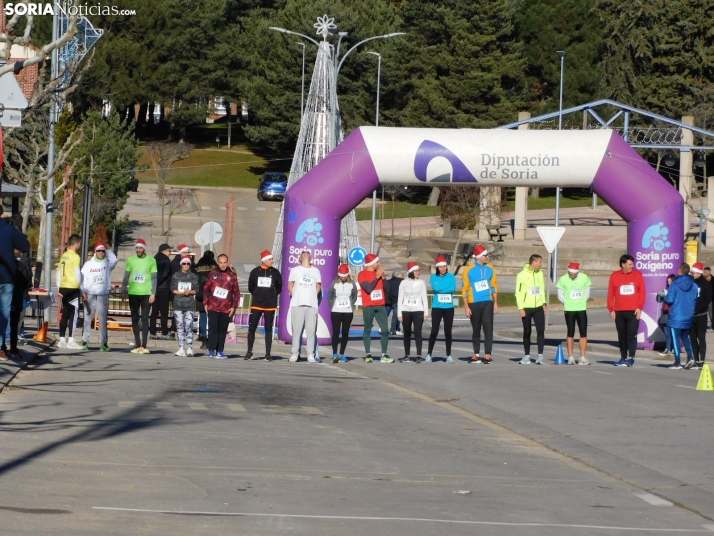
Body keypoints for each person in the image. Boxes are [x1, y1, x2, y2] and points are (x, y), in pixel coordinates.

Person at [0, 206, 30, 361]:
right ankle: (1, 347)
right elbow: (25, 247)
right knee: (5, 313)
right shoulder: (9, 231)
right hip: (7, 277)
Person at [607, 254, 646, 367]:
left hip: (633, 311)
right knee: (622, 334)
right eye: (629, 264)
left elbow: (642, 292)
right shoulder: (615, 276)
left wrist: (639, 307)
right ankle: (623, 357)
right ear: (623, 264)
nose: (631, 266)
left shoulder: (638, 275)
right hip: (619, 310)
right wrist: (611, 309)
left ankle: (631, 357)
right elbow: (611, 293)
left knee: (631, 334)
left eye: (632, 264)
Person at [462, 245, 498, 364]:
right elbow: (465, 289)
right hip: (474, 303)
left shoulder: (491, 268)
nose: (488, 257)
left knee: (488, 328)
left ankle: (488, 354)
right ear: (478, 257)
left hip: (487, 302)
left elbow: (493, 286)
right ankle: (476, 353)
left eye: (487, 255)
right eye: (485, 255)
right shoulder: (468, 270)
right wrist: (466, 307)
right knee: (476, 329)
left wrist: (496, 303)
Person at [80, 243, 118, 351]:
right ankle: (85, 341)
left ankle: (103, 343)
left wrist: (107, 248)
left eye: (103, 251)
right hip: (90, 294)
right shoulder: (88, 264)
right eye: (99, 251)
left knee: (102, 320)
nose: (101, 253)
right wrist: (83, 292)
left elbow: (115, 260)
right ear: (95, 252)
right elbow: (81, 278)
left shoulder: (108, 263)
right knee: (87, 319)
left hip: (103, 294)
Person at [122, 238, 157, 354]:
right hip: (133, 293)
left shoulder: (151, 260)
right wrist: (123, 291)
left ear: (144, 249)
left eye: (140, 248)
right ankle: (137, 344)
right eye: (137, 248)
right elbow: (126, 276)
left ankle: (144, 344)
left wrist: (153, 293)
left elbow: (154, 278)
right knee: (135, 318)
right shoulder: (131, 260)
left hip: (146, 293)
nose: (138, 250)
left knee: (145, 318)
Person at [246, 250, 282, 361]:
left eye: (272, 259)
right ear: (264, 260)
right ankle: (249, 352)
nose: (272, 261)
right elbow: (250, 286)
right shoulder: (255, 272)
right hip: (257, 304)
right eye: (270, 259)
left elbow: (279, 287)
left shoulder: (275, 272)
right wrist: (257, 293)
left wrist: (273, 294)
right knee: (252, 328)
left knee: (268, 329)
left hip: (270, 305)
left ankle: (267, 353)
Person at [287, 250, 322, 363]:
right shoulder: (295, 270)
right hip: (297, 304)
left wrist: (312, 296)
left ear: (311, 258)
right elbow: (290, 286)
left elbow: (318, 286)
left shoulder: (316, 271)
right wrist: (296, 295)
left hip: (312, 305)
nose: (306, 253)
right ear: (300, 259)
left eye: (308, 253)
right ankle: (295, 353)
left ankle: (310, 354)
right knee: (297, 331)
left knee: (311, 331)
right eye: (303, 253)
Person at [203, 253, 240, 359]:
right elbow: (206, 289)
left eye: (225, 262)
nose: (223, 265)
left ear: (227, 262)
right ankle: (211, 350)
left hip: (226, 308)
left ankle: (220, 351)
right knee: (213, 328)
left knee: (222, 330)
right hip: (213, 306)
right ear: (218, 263)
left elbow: (236, 292)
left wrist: (234, 306)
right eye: (221, 262)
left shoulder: (232, 275)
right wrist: (205, 303)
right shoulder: (212, 274)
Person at [358, 253, 393, 363]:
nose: (379, 264)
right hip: (368, 306)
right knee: (367, 329)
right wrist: (376, 277)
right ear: (371, 263)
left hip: (380, 305)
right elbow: (368, 288)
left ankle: (384, 354)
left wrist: (384, 278)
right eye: (377, 262)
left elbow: (387, 289)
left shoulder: (379, 274)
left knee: (385, 330)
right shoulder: (362, 274)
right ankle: (368, 354)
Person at [556, 262, 592, 365]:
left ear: (578, 272)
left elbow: (587, 293)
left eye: (574, 274)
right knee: (570, 332)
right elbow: (560, 295)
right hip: (569, 309)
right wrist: (568, 303)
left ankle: (582, 357)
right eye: (571, 274)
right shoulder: (563, 279)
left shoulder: (584, 278)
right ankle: (571, 357)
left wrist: (580, 302)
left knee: (583, 332)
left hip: (581, 309)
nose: (572, 276)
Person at [664, 263, 697, 370]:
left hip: (676, 315)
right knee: (685, 337)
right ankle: (691, 357)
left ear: (679, 271)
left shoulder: (674, 284)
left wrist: (664, 297)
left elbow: (670, 299)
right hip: (688, 314)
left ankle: (677, 361)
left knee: (675, 338)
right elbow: (695, 298)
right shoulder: (694, 284)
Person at [515, 254, 547, 365]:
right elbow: (518, 293)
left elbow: (541, 289)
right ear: (534, 262)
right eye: (540, 262)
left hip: (538, 306)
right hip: (526, 307)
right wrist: (520, 308)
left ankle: (540, 356)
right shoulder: (521, 275)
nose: (541, 264)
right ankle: (527, 356)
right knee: (527, 331)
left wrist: (543, 303)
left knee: (540, 330)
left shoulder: (540, 274)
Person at [427, 255, 456, 363]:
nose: (443, 269)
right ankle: (429, 353)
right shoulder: (433, 277)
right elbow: (436, 288)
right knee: (434, 330)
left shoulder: (451, 276)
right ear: (437, 268)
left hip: (449, 307)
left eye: (444, 267)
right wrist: (445, 289)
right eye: (440, 267)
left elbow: (453, 288)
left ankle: (448, 354)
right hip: (437, 307)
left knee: (448, 331)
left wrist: (442, 290)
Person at [56, 234, 83, 350]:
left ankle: (62, 339)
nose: (80, 245)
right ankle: (71, 340)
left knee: (65, 313)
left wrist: (59, 287)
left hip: (64, 287)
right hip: (73, 287)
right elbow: (77, 273)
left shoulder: (64, 256)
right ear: (76, 243)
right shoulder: (75, 257)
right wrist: (82, 287)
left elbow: (58, 272)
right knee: (74, 314)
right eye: (79, 243)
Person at [398, 262, 429, 363]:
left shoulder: (421, 283)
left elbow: (424, 298)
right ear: (411, 272)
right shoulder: (403, 283)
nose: (418, 272)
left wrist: (426, 313)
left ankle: (419, 355)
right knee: (407, 333)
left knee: (417, 332)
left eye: (418, 271)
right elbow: (400, 299)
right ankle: (407, 355)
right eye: (416, 271)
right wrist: (399, 314)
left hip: (418, 310)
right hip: (406, 310)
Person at [171, 255, 200, 357]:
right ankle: (181, 348)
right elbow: (173, 289)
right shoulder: (175, 276)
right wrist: (181, 293)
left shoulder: (194, 276)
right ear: (181, 264)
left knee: (189, 326)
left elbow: (196, 289)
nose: (186, 265)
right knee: (179, 326)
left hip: (189, 305)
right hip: (178, 304)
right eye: (184, 263)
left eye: (188, 263)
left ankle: (190, 348)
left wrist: (190, 292)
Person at [328, 263, 357, 363]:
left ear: (347, 275)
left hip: (348, 311)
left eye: (345, 276)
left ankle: (342, 354)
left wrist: (351, 306)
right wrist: (333, 306)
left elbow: (354, 296)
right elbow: (330, 296)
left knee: (345, 332)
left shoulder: (352, 284)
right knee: (336, 332)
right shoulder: (334, 283)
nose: (343, 278)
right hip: (336, 311)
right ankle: (335, 353)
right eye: (341, 276)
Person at [688, 262, 711, 369]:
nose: (691, 274)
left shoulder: (706, 284)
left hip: (701, 315)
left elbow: (706, 300)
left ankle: (702, 360)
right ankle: (695, 359)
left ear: (699, 273)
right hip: (691, 316)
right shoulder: (690, 283)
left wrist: (696, 310)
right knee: (692, 338)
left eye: (693, 273)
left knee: (701, 338)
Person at [195, 251, 218, 348]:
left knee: (203, 317)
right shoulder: (215, 269)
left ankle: (203, 338)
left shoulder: (199, 266)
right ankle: (211, 338)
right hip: (213, 296)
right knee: (212, 318)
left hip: (201, 295)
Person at [150, 243, 172, 340]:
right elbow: (165, 274)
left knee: (154, 312)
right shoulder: (166, 260)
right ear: (164, 251)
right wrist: (159, 283)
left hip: (154, 289)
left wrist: (154, 285)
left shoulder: (154, 259)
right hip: (163, 288)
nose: (170, 253)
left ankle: (152, 332)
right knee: (164, 312)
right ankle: (164, 332)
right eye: (169, 251)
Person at [656, 275, 676, 356]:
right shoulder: (666, 290)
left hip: (673, 314)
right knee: (667, 333)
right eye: (668, 281)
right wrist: (659, 295)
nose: (669, 283)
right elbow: (659, 300)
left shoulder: (676, 290)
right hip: (665, 314)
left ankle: (674, 348)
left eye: (670, 281)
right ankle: (667, 348)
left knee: (673, 333)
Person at [386, 271, 403, 335]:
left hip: (388, 301)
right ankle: (394, 329)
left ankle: (382, 328)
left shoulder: (388, 281)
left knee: (385, 316)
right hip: (396, 301)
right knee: (396, 316)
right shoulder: (401, 282)